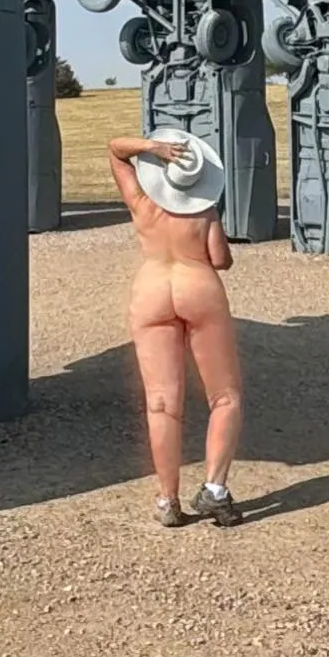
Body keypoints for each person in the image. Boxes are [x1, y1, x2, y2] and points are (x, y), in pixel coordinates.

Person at [110, 129, 244, 527]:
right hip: (198, 286)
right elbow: (220, 260)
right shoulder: (204, 212)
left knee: (162, 402)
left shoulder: (141, 202)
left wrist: (152, 148)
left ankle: (167, 500)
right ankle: (215, 489)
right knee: (225, 397)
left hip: (151, 289)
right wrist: (212, 220)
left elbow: (116, 151)